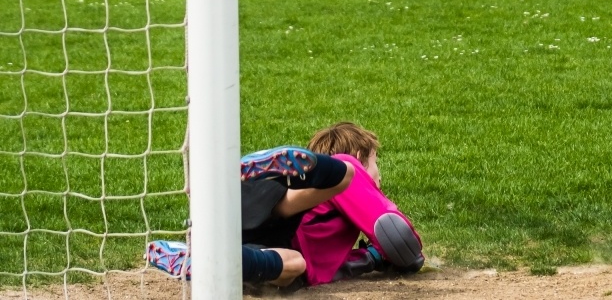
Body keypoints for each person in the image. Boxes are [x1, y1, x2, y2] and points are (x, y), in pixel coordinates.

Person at [147, 145, 355, 287]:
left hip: (246, 203)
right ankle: (212, 259)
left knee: (346, 174)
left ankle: (204, 257)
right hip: (261, 222)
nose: (379, 175)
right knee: (295, 264)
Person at [292, 121, 425, 286]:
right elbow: (400, 239)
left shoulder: (317, 208)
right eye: (376, 162)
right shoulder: (342, 166)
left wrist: (371, 256)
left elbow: (317, 269)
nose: (380, 176)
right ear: (358, 157)